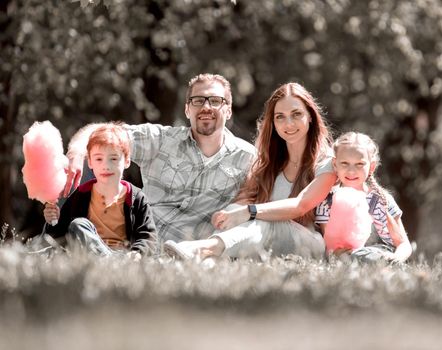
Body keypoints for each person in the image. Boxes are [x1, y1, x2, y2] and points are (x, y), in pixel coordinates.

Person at [63, 74, 256, 242]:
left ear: (228, 110)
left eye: (215, 100)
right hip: (137, 240)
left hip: (187, 251)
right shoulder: (161, 140)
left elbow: (258, 203)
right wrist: (76, 152)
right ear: (187, 109)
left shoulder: (247, 158)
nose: (206, 107)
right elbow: (105, 132)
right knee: (82, 219)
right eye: (198, 100)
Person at [163, 82, 336, 260]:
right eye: (280, 117)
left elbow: (301, 205)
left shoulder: (327, 161)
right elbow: (241, 206)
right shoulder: (269, 163)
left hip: (312, 245)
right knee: (234, 209)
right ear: (273, 122)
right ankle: (208, 261)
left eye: (296, 114)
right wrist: (229, 215)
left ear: (310, 117)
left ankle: (203, 250)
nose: (288, 123)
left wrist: (249, 211)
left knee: (262, 220)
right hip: (270, 242)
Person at [43, 123, 157, 256]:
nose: (105, 166)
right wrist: (52, 221)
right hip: (91, 255)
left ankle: (112, 261)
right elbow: (58, 237)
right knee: (78, 225)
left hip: (124, 256)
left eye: (113, 159)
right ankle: (109, 261)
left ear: (126, 161)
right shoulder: (81, 194)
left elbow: (148, 237)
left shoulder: (136, 198)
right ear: (90, 162)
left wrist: (137, 253)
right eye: (98, 159)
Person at [314, 131, 412, 263]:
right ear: (335, 164)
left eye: (359, 164)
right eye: (344, 163)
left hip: (378, 254)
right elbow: (327, 244)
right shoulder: (327, 200)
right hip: (341, 259)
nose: (351, 171)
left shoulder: (380, 200)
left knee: (369, 255)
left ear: (371, 166)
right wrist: (335, 254)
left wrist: (396, 258)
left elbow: (404, 244)